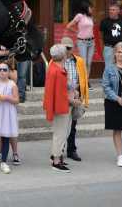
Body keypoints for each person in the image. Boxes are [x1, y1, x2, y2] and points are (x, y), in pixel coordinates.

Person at [43, 44, 77, 172]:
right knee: (61, 134)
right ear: (63, 55)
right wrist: (73, 100)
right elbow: (61, 93)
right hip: (61, 106)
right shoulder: (57, 70)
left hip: (59, 105)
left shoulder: (54, 67)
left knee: (62, 132)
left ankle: (56, 156)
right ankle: (56, 161)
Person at [61, 37, 89, 162]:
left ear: (72, 48)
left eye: (68, 48)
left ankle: (71, 150)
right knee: (61, 126)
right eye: (64, 48)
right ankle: (59, 150)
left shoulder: (79, 61)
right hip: (61, 97)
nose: (66, 50)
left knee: (72, 126)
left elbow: (83, 79)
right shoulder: (56, 62)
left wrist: (79, 91)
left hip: (75, 95)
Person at [66, 1, 95, 85]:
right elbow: (68, 26)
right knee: (84, 62)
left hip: (91, 42)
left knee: (89, 63)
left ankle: (86, 80)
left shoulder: (90, 17)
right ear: (86, 7)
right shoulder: (79, 16)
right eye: (90, 7)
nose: (92, 9)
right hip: (82, 42)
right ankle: (83, 81)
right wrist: (76, 32)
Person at [99, 3, 122, 71]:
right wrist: (102, 48)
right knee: (108, 67)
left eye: (113, 10)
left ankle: (118, 81)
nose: (111, 11)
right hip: (109, 47)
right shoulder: (104, 21)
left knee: (120, 66)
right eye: (110, 10)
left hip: (120, 48)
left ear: (118, 11)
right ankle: (108, 81)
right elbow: (100, 36)